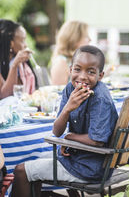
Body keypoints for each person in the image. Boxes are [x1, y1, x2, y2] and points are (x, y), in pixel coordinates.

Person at [11, 45, 118, 197]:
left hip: (90, 168)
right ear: (70, 70)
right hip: (78, 157)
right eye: (77, 69)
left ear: (100, 76)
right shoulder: (70, 89)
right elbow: (57, 131)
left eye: (91, 72)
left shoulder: (99, 98)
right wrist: (68, 108)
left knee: (21, 171)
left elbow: (97, 141)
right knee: (34, 161)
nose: (82, 76)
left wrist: (69, 138)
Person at [0, 19, 36, 99]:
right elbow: (5, 96)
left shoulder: (22, 65)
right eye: (23, 40)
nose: (26, 45)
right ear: (11, 43)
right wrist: (15, 65)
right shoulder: (13, 64)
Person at [50, 20, 90, 85]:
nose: (90, 39)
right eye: (86, 36)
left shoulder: (73, 61)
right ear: (75, 39)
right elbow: (60, 93)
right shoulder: (61, 63)